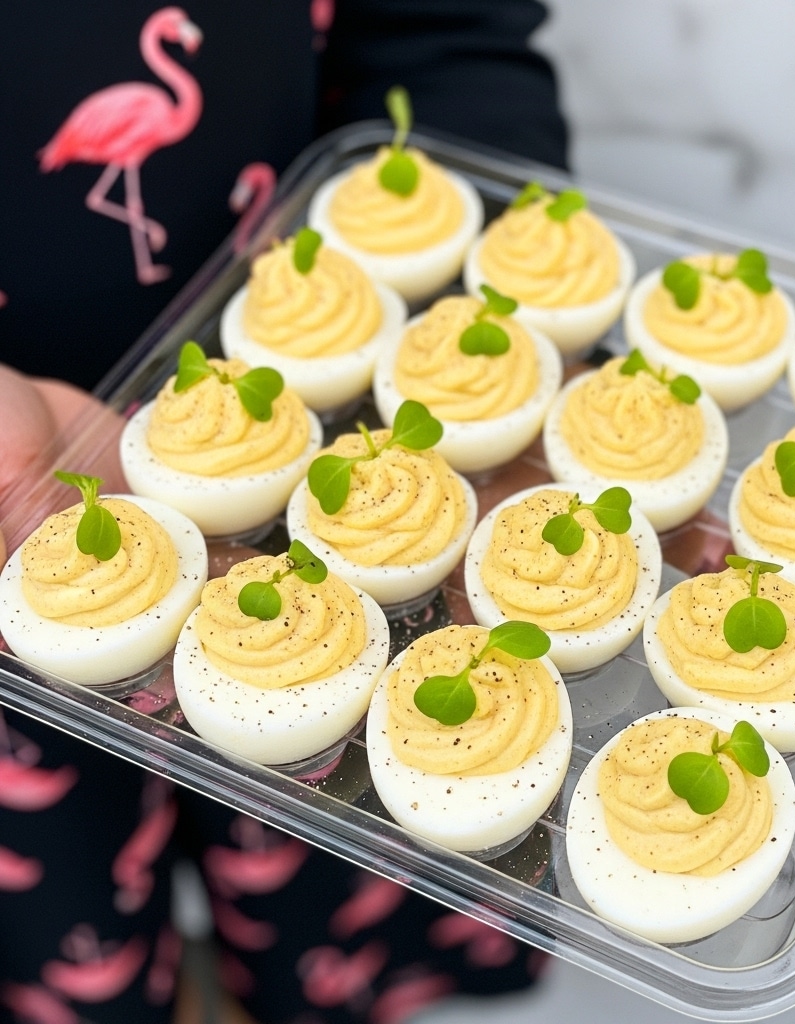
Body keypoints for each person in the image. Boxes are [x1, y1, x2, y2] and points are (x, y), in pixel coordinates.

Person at [0, 4, 568, 1023]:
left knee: (327, 879)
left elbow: (447, 35)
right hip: (29, 591)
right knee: (72, 936)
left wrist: (495, 320)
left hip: (328, 442)